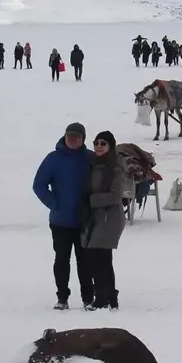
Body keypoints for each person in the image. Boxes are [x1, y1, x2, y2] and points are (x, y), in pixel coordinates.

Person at [33, 123, 94, 310]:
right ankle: (62, 298)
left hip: (85, 220)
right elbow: (39, 185)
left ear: (83, 138)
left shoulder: (91, 158)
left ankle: (88, 298)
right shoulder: (53, 159)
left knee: (85, 261)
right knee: (61, 260)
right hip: (60, 222)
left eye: (76, 136)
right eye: (69, 136)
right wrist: (55, 204)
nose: (73, 139)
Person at [81, 131, 128, 310]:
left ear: (111, 146)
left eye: (103, 143)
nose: (99, 146)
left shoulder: (115, 167)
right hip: (97, 217)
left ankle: (102, 298)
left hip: (110, 217)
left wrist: (92, 200)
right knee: (102, 259)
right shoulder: (94, 164)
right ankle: (110, 298)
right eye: (96, 143)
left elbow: (116, 196)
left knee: (98, 258)